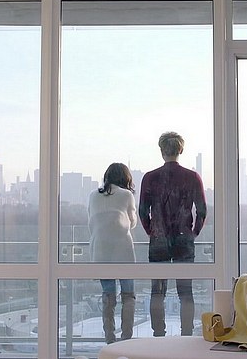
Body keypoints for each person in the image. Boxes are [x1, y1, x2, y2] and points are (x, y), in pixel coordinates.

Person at [138, 131, 207, 336]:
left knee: (157, 291)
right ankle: (186, 334)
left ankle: (158, 335)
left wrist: (152, 231)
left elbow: (143, 211)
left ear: (162, 151)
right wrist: (193, 233)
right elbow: (202, 211)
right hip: (183, 238)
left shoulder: (150, 177)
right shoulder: (192, 177)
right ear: (180, 150)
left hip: (158, 238)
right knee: (185, 292)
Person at [88, 162, 138, 344]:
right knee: (128, 295)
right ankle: (127, 338)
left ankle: (110, 337)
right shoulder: (126, 195)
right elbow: (132, 222)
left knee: (108, 296)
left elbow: (91, 222)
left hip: (100, 250)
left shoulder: (93, 195)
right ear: (126, 178)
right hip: (123, 250)